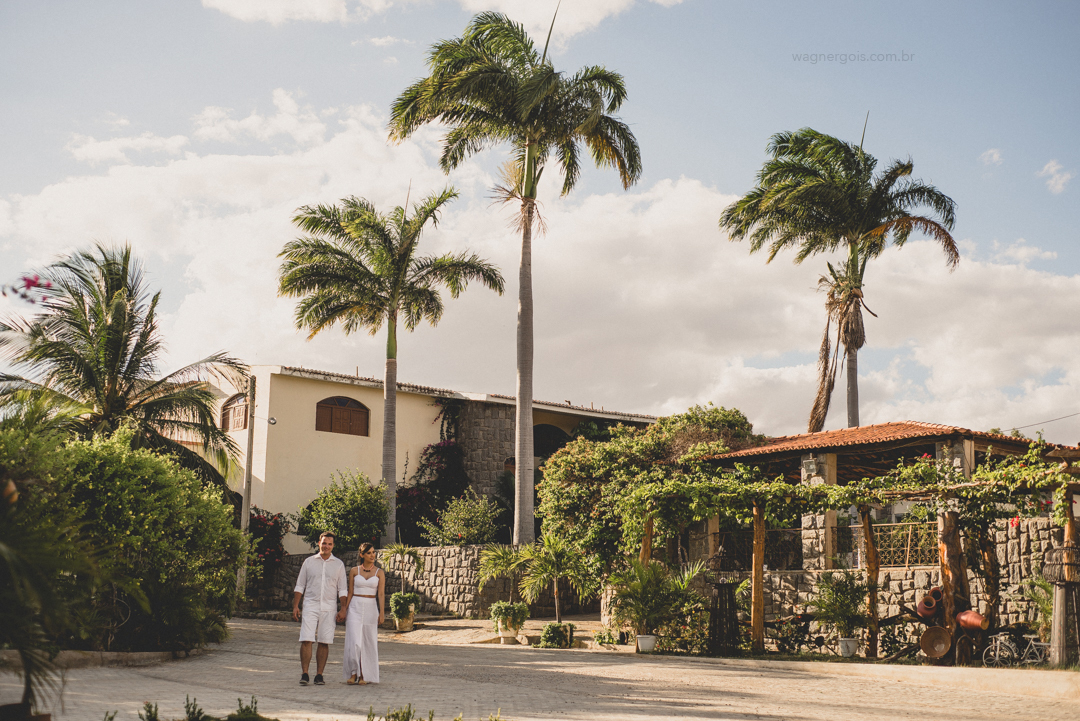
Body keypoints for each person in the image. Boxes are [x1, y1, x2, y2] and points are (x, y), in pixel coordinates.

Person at [292, 531, 347, 686]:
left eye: (329, 544)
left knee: (324, 640)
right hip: (310, 605)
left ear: (333, 546)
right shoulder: (309, 562)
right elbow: (300, 585)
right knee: (306, 639)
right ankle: (305, 673)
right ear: (319, 543)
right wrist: (296, 606)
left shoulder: (338, 565)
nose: (326, 546)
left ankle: (319, 675)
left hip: (329, 607)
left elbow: (342, 589)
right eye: (324, 543)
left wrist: (343, 609)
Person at [342, 541, 384, 685]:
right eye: (369, 553)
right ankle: (353, 673)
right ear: (361, 555)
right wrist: (344, 609)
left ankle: (364, 675)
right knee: (354, 641)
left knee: (367, 641)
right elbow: (350, 592)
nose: (372, 555)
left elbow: (381, 594)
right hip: (355, 606)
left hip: (371, 607)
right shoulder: (354, 571)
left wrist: (382, 613)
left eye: (373, 552)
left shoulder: (379, 572)